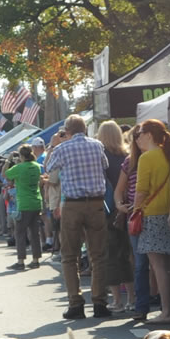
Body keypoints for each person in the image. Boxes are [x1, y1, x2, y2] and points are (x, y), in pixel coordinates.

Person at [40, 114, 110, 319]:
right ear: (85, 129)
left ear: (67, 131)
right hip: (96, 202)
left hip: (73, 205)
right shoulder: (97, 145)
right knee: (98, 255)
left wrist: (53, 145)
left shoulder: (62, 148)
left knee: (70, 256)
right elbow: (104, 165)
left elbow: (48, 168)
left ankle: (75, 303)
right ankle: (99, 302)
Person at [130, 120, 170, 326]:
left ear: (149, 135)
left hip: (151, 214)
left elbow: (141, 190)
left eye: (140, 133)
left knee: (158, 266)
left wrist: (135, 212)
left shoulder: (147, 158)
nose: (137, 137)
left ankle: (166, 310)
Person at [98, 120, 134, 312]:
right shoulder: (128, 155)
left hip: (110, 210)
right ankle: (132, 298)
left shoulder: (101, 157)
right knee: (128, 255)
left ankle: (117, 300)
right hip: (129, 208)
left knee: (110, 255)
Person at [5, 144, 44, 269]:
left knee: (20, 232)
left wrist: (8, 159)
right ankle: (35, 259)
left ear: (21, 156)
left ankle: (21, 261)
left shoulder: (19, 167)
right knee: (34, 232)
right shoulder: (37, 166)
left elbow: (5, 174)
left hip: (24, 203)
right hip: (36, 202)